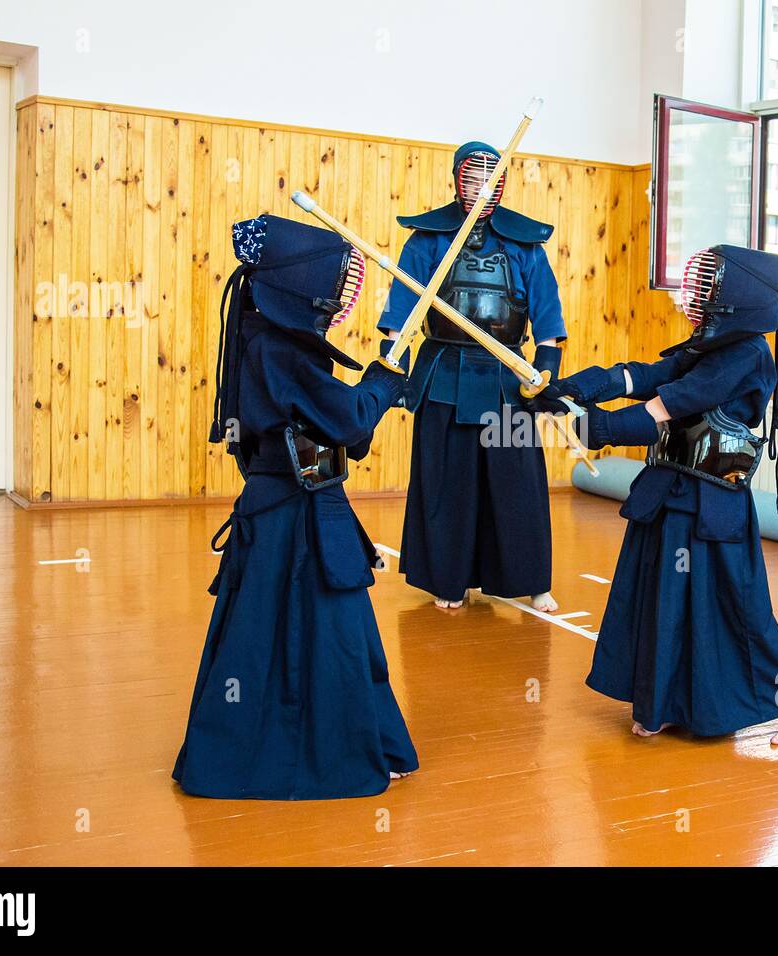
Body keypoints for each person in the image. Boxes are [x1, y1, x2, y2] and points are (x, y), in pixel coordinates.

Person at [173, 214, 418, 799]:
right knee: (319, 633)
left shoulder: (263, 339)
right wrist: (385, 382)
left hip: (292, 506)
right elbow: (351, 419)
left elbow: (340, 432)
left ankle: (360, 738)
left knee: (320, 631)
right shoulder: (279, 352)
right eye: (335, 289)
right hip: (293, 513)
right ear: (302, 288)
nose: (342, 301)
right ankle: (317, 755)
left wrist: (372, 395)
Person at [552, 245, 778, 745]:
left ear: (735, 297)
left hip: (714, 504)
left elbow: (667, 405)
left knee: (738, 607)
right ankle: (663, 702)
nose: (696, 296)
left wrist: (593, 426)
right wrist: (574, 387)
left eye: (708, 287)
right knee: (659, 600)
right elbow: (646, 376)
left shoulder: (747, 355)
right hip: (668, 492)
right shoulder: (705, 348)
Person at [378, 141, 566, 612]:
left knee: (518, 482)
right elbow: (399, 312)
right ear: (457, 179)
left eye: (491, 176)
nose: (482, 185)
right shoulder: (427, 240)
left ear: (501, 183)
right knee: (448, 480)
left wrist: (545, 370)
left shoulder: (526, 246)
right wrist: (391, 362)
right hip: (443, 371)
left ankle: (532, 579)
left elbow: (547, 319)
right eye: (473, 176)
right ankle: (449, 577)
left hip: (507, 375)